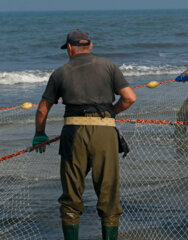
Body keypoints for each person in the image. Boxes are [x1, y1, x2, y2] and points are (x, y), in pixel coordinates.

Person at [32, 30, 136, 240]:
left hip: (74, 133)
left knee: (71, 196)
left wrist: (40, 133)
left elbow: (43, 108)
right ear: (91, 45)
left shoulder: (60, 72)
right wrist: (110, 114)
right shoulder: (109, 66)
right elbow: (130, 98)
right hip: (105, 134)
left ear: (69, 48)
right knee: (108, 195)